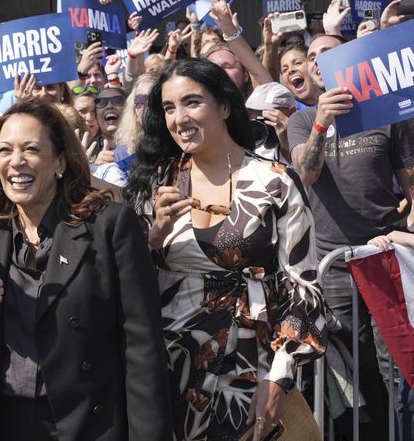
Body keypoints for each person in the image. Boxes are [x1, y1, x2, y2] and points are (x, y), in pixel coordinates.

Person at [125, 58, 332, 441]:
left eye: (191, 102)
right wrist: (154, 235)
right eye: (169, 108)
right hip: (170, 367)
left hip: (251, 371)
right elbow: (125, 280)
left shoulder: (275, 182)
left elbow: (303, 289)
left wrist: (279, 377)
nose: (179, 118)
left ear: (224, 106)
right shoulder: (153, 183)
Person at [0, 100, 170, 441]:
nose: (16, 161)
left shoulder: (110, 227)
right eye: (5, 150)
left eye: (32, 149)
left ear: (60, 161)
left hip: (91, 426)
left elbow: (143, 348)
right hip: (12, 426)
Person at [288, 32, 414, 439]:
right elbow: (305, 174)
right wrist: (323, 120)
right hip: (335, 267)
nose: (317, 60)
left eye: (328, 52)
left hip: (385, 257)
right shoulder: (303, 120)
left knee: (394, 361)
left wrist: (407, 238)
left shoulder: (387, 117)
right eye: (311, 56)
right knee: (356, 367)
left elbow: (411, 185)